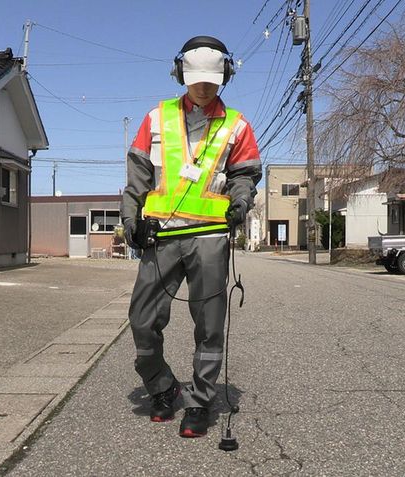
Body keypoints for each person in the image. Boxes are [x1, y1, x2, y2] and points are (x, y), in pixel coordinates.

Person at [120, 35, 261, 438]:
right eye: (196, 79)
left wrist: (241, 200)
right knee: (143, 320)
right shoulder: (155, 118)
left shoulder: (237, 125)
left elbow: (245, 175)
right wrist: (132, 222)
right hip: (161, 236)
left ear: (224, 77)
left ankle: (200, 401)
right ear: (181, 74)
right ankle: (162, 388)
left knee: (209, 325)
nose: (203, 87)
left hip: (211, 237)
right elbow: (136, 180)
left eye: (211, 80)